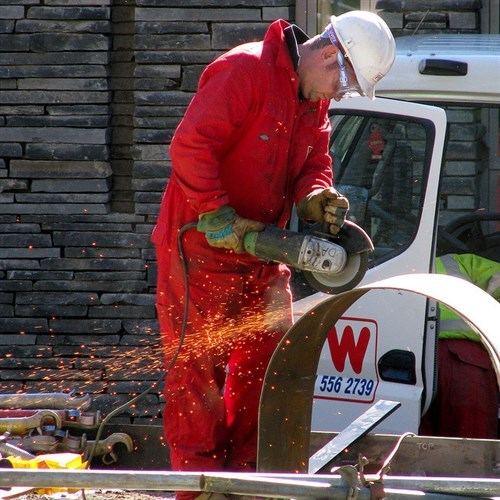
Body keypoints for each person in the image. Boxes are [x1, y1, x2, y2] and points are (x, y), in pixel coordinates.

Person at [151, 11, 395, 500]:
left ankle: (248, 483)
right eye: (344, 83)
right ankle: (199, 491)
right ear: (330, 55)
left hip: (259, 253)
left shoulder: (310, 101)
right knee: (197, 379)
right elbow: (190, 146)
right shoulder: (243, 72)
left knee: (267, 367)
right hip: (199, 250)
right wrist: (217, 214)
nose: (340, 95)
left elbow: (315, 162)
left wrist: (315, 195)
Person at [420, 253, 500, 439]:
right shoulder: (459, 262)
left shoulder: (385, 265)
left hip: (410, 360)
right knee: (471, 449)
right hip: (465, 361)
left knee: (416, 449)